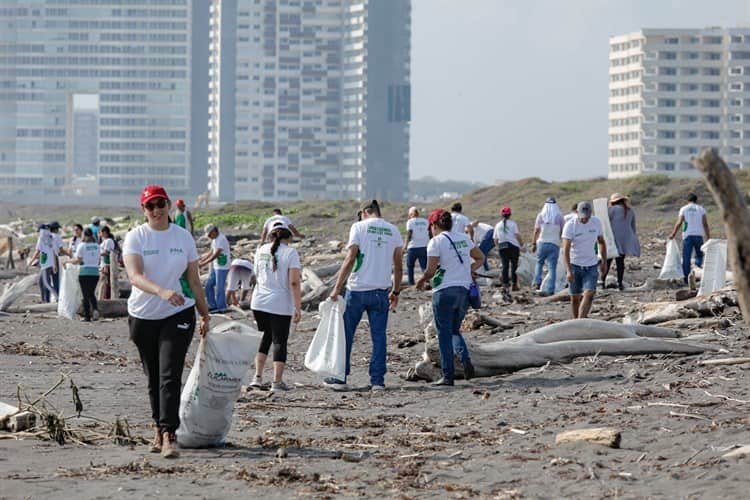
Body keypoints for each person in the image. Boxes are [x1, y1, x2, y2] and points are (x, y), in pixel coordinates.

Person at [123, 184, 210, 459]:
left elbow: (194, 280)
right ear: (143, 210)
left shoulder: (183, 237)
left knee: (169, 375)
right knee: (154, 377)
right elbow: (134, 276)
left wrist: (205, 314)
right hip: (143, 315)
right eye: (151, 206)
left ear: (169, 205)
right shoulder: (136, 237)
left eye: (161, 204)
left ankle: (169, 434)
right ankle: (158, 429)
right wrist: (161, 291)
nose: (156, 210)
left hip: (178, 312)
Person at [325, 200, 403, 392]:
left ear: (365, 213)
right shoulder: (393, 230)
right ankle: (377, 381)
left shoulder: (358, 227)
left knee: (347, 334)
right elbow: (399, 265)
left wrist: (336, 288)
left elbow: (351, 258)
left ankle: (340, 377)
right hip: (380, 292)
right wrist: (396, 291)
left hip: (357, 290)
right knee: (379, 337)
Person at [416, 209, 484, 386]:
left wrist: (421, 280)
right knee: (454, 330)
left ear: (434, 225)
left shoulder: (435, 242)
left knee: (443, 334)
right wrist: (470, 270)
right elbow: (480, 257)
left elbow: (431, 271)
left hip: (444, 292)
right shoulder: (463, 238)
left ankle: (448, 376)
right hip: (463, 291)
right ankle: (465, 359)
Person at [247, 221, 302, 392]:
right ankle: (277, 382)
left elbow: (255, 277)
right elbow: (294, 282)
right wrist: (297, 307)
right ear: (289, 238)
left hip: (259, 301)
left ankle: (257, 377)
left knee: (265, 338)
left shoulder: (260, 250)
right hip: (279, 303)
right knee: (279, 341)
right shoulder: (291, 252)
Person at [562, 201, 607, 319]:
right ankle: (575, 321)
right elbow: (565, 250)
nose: (584, 220)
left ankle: (581, 321)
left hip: (591, 265)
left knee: (589, 293)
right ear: (577, 212)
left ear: (590, 213)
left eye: (587, 217)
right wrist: (568, 271)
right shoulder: (570, 225)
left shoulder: (596, 222)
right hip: (574, 264)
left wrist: (604, 261)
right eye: (582, 217)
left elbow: (601, 242)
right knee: (575, 297)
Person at [602, 193, 640, 290]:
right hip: (625, 239)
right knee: (620, 262)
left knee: (607, 261)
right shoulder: (630, 210)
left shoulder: (612, 209)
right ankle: (620, 284)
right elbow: (633, 226)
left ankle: (602, 282)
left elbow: (604, 222)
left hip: (613, 238)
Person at [669, 192, 710, 283]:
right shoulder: (701, 209)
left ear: (687, 200)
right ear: (696, 200)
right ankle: (696, 272)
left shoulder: (684, 209)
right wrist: (708, 237)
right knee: (699, 255)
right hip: (698, 235)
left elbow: (679, 222)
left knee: (686, 257)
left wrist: (673, 234)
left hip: (687, 236)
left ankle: (686, 278)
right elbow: (705, 224)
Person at [531, 197, 565, 296]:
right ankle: (551, 289)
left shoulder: (541, 215)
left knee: (539, 263)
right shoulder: (559, 216)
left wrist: (533, 243)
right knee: (552, 267)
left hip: (542, 243)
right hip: (554, 244)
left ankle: (536, 283)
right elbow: (563, 231)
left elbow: (536, 230)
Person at [199, 223, 231, 312]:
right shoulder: (215, 239)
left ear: (214, 231)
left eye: (209, 234)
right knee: (209, 285)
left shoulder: (221, 239)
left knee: (219, 287)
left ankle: (221, 307)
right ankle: (213, 305)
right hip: (216, 266)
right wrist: (202, 260)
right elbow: (211, 251)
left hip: (223, 267)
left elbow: (215, 255)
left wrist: (203, 263)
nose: (208, 236)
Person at [70, 228, 100, 321]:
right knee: (91, 293)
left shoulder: (82, 245)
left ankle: (87, 316)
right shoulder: (97, 246)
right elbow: (98, 260)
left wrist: (68, 261)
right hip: (95, 272)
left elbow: (78, 260)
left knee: (85, 295)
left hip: (85, 272)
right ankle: (95, 310)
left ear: (84, 235)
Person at [493, 206, 524, 294]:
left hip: (502, 246)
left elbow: (495, 239)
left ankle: (505, 285)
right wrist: (522, 245)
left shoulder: (498, 225)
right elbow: (517, 235)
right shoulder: (513, 224)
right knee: (514, 265)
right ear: (510, 214)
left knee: (505, 266)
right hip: (513, 246)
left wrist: (498, 247)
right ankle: (514, 284)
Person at [29, 224, 57, 303]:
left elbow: (37, 251)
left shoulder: (41, 239)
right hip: (49, 263)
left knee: (46, 283)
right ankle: (44, 300)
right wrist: (54, 265)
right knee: (41, 282)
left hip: (45, 264)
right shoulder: (51, 238)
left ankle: (56, 297)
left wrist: (31, 261)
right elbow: (54, 252)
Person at [404, 207, 429, 285]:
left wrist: (405, 245)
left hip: (413, 247)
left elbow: (409, 234)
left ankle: (411, 283)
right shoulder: (425, 221)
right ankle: (427, 282)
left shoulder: (410, 222)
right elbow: (429, 233)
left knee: (410, 266)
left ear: (411, 214)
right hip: (424, 246)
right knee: (424, 267)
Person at [98, 226, 117, 300]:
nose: (99, 234)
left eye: (100, 232)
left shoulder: (108, 241)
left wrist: (97, 254)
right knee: (104, 282)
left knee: (104, 282)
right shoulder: (104, 241)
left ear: (105, 232)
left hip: (107, 264)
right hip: (103, 263)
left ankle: (103, 299)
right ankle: (103, 298)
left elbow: (106, 252)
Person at [47, 221, 64, 297]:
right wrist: (69, 254)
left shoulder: (46, 236)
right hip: (54, 258)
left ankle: (47, 298)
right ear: (56, 229)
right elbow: (61, 250)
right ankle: (57, 296)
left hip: (46, 259)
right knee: (56, 279)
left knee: (47, 279)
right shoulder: (57, 236)